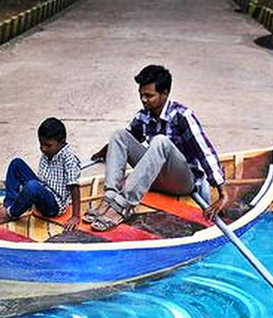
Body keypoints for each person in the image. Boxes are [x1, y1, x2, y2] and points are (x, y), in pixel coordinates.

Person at [86, 64, 228, 232]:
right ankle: (110, 198)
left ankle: (122, 206)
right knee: (119, 134)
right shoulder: (143, 115)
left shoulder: (183, 115)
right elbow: (127, 139)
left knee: (160, 141)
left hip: (182, 181)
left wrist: (222, 192)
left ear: (164, 93)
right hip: (155, 178)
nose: (144, 100)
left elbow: (205, 152)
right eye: (141, 95)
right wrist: (106, 152)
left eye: (149, 96)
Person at [0, 117, 82, 231]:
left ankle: (11, 213)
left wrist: (76, 216)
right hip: (42, 188)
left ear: (61, 142)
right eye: (41, 144)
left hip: (54, 205)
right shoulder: (50, 150)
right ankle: (10, 204)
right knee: (16, 164)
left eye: (48, 145)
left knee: (32, 186)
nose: (43, 148)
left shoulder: (69, 159)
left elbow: (74, 186)